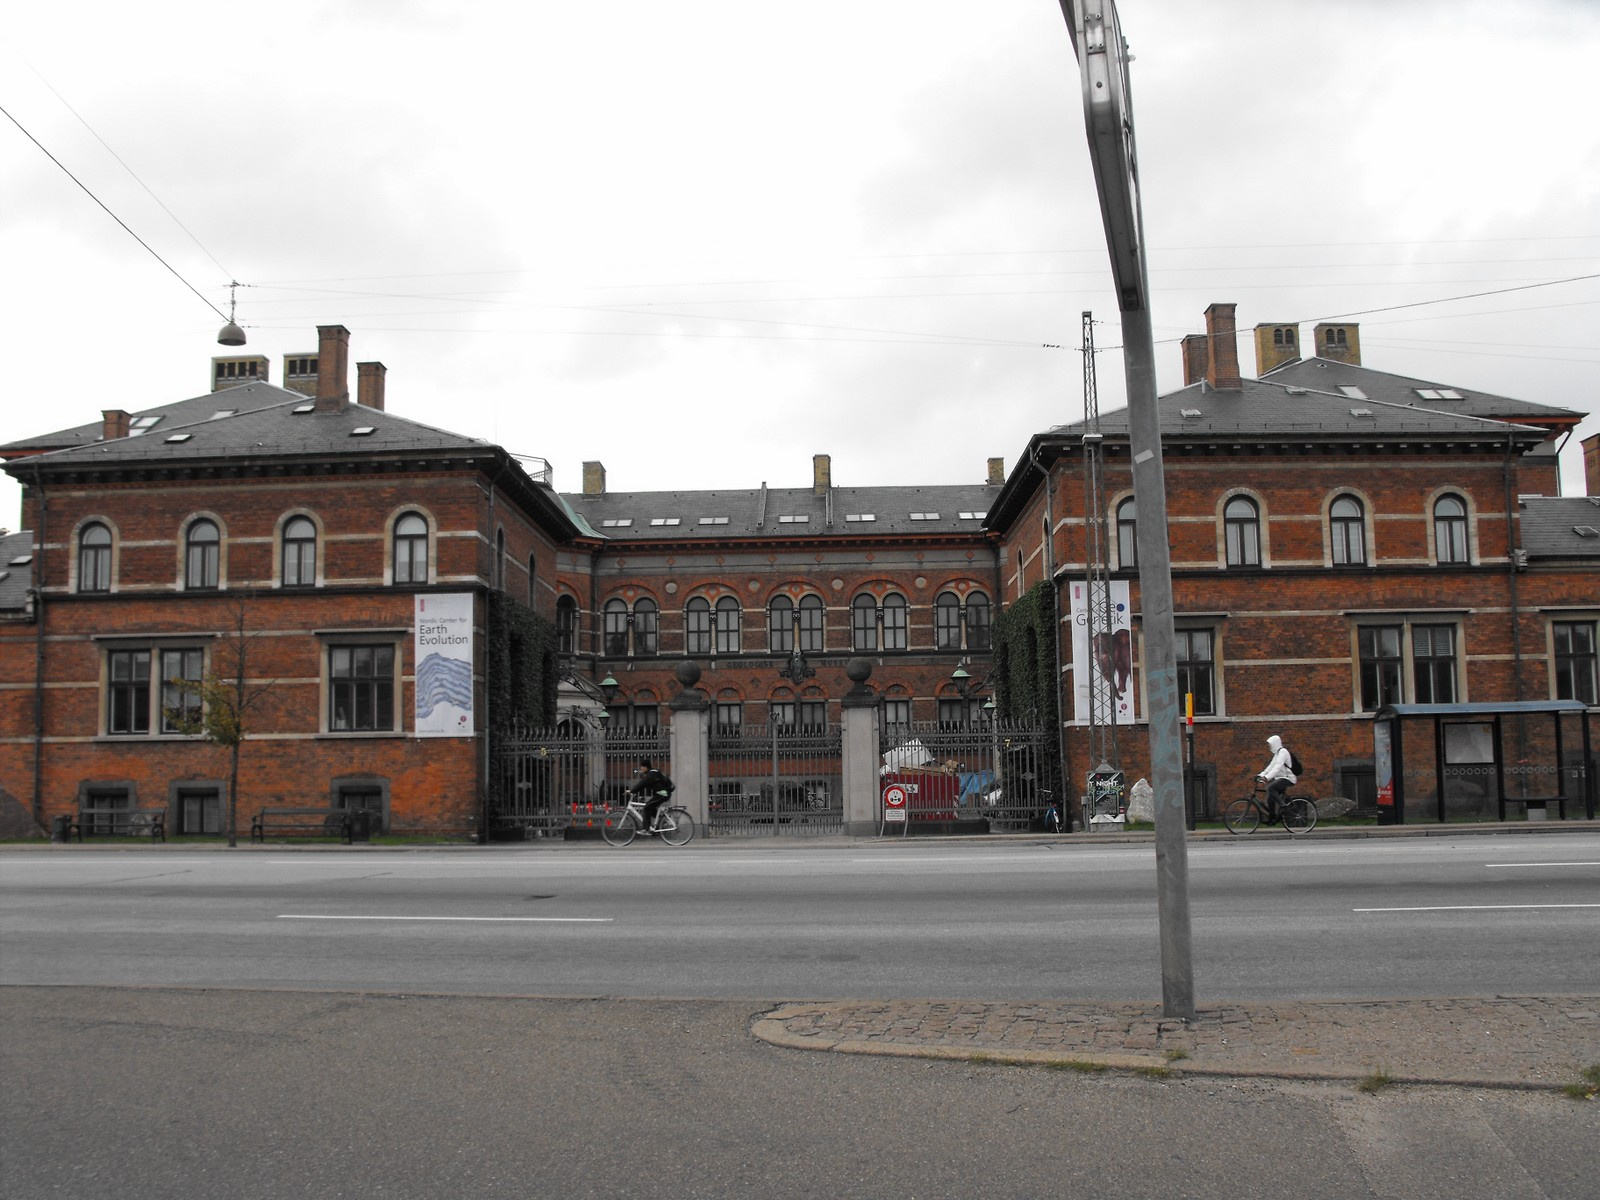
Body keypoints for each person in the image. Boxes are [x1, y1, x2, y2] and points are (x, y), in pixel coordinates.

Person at [1256, 734, 1296, 820]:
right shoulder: (1277, 754)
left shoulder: (1283, 752)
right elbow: (1271, 766)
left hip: (1288, 778)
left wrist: (1267, 778)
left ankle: (1283, 805)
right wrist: (1261, 775)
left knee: (1270, 788)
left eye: (1270, 744)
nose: (1268, 746)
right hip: (1280, 778)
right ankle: (1273, 818)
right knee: (1270, 798)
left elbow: (1277, 767)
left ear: (1275, 744)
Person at [630, 757, 673, 833]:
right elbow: (643, 784)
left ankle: (646, 829)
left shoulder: (651, 774)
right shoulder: (653, 772)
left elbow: (642, 784)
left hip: (662, 794)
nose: (641, 769)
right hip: (662, 793)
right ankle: (661, 821)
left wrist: (632, 791)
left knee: (646, 808)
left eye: (642, 767)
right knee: (650, 807)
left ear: (646, 767)